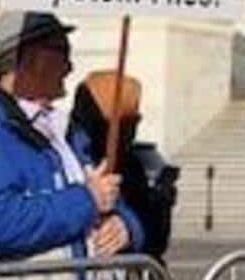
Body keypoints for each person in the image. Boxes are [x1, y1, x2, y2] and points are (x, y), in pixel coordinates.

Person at [0, 11, 145, 275]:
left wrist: (125, 226)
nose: (70, 67)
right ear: (33, 59)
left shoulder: (70, 134)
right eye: (63, 52)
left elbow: (109, 198)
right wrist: (87, 200)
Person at [68, 71, 177, 260]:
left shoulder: (132, 164)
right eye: (125, 124)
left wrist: (129, 228)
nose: (131, 132)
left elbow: (155, 236)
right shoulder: (68, 154)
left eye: (133, 123)